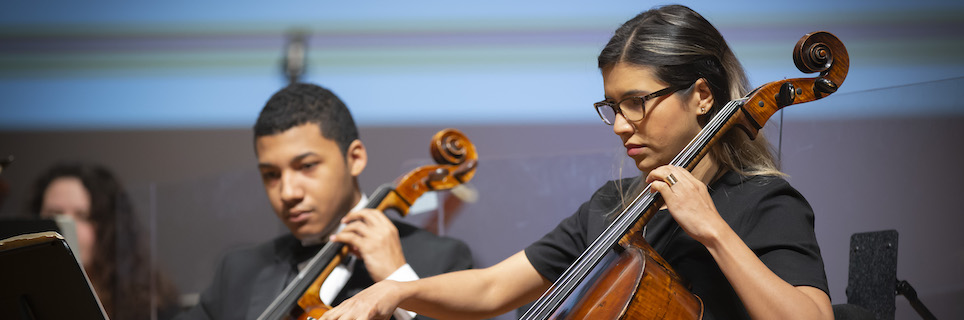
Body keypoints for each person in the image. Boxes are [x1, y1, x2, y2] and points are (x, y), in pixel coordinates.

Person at [319, 5, 832, 320]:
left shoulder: (763, 201)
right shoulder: (613, 207)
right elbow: (493, 287)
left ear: (701, 95)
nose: (620, 125)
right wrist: (390, 292)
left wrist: (713, 231)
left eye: (638, 102)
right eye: (612, 106)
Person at [175, 83, 473, 320]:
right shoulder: (240, 270)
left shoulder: (442, 260)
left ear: (355, 158)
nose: (288, 192)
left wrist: (400, 281)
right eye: (271, 174)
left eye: (306, 166)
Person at [29, 162, 181, 320]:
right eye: (53, 215)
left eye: (83, 216)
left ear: (110, 227)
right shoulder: (23, 298)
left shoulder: (152, 305)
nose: (66, 226)